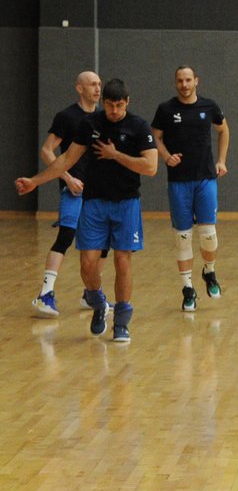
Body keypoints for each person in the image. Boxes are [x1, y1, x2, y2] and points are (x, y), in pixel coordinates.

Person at [16, 78, 158, 342]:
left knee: (122, 261)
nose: (114, 110)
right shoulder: (90, 124)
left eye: (118, 105)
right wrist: (35, 181)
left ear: (127, 102)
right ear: (103, 103)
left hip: (127, 203)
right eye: (109, 105)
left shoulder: (139, 127)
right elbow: (66, 159)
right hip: (94, 202)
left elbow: (150, 168)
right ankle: (97, 301)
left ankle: (122, 322)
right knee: (87, 263)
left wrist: (116, 155)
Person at [151, 66, 229, 312]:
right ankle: (187, 289)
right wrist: (165, 156)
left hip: (205, 178)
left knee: (208, 233)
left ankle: (210, 271)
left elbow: (223, 129)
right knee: (182, 236)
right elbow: (155, 136)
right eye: (180, 81)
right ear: (175, 83)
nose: (184, 84)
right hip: (178, 182)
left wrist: (221, 161)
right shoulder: (166, 109)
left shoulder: (209, 106)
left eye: (188, 80)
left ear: (196, 81)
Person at [31, 71, 102, 317]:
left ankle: (91, 294)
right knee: (66, 236)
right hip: (73, 187)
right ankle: (45, 295)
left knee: (99, 244)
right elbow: (47, 150)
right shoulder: (67, 116)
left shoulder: (103, 119)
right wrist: (67, 177)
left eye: (99, 84)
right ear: (79, 88)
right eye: (92, 84)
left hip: (98, 191)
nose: (97, 88)